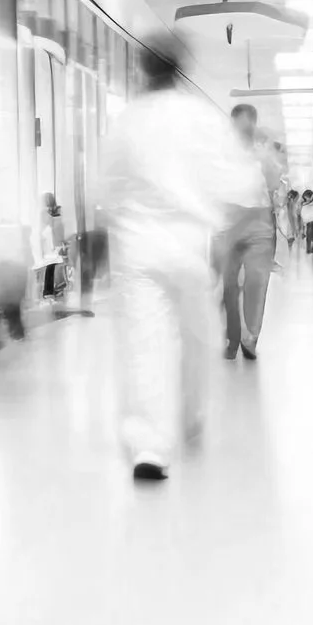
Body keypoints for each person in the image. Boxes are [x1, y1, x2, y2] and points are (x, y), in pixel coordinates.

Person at [100, 43, 243, 482]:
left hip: (138, 248)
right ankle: (192, 417)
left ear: (143, 70)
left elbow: (107, 187)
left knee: (146, 343)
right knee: (198, 337)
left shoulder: (129, 120)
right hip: (190, 245)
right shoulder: (203, 119)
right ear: (181, 70)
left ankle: (150, 446)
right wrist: (224, 233)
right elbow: (233, 180)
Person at [215, 103, 280, 359]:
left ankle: (250, 337)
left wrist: (267, 154)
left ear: (253, 124)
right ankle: (232, 337)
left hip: (258, 224)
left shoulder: (262, 152)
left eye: (247, 125)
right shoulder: (220, 153)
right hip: (229, 223)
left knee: (256, 280)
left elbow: (274, 183)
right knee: (229, 285)